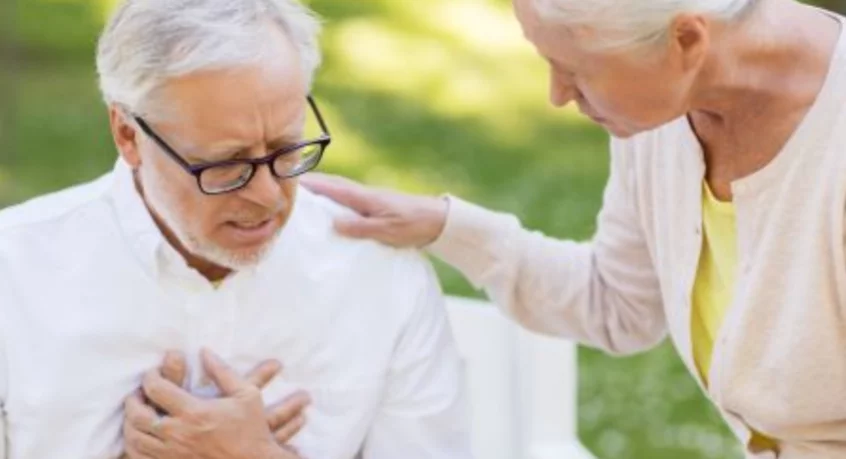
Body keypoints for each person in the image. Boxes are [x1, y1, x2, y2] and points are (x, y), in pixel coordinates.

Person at [302, 0, 846, 457]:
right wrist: (442, 226)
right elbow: (617, 303)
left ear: (687, 41)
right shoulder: (664, 116)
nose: (557, 94)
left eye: (576, 69)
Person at [0, 1, 472, 458]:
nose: (268, 197)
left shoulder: (380, 274)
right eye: (226, 165)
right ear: (128, 135)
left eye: (286, 149)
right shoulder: (14, 273)